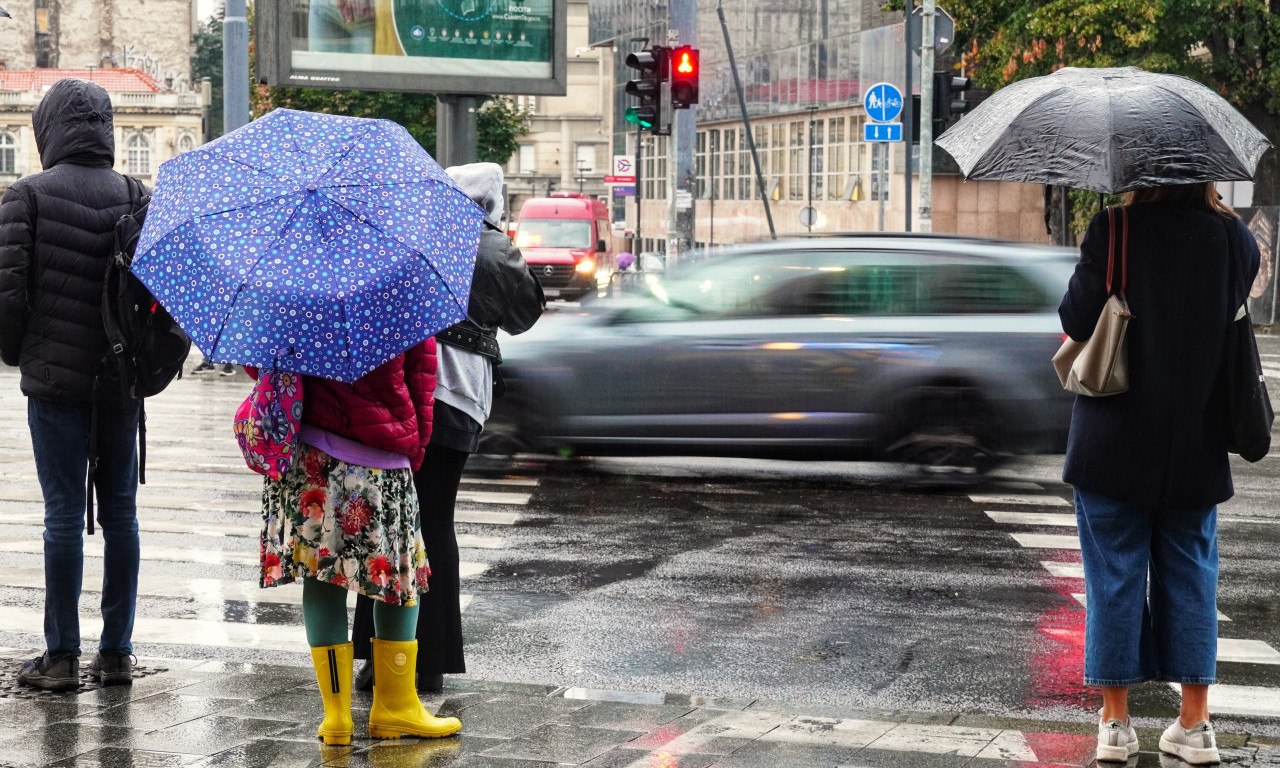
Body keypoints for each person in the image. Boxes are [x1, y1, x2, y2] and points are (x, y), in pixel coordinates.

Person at [1059, 182, 1259, 766]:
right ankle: (1194, 726)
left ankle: (1116, 724)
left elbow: (1075, 317)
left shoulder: (1114, 229)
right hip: (1194, 443)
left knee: (1114, 577)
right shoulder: (1234, 239)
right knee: (1194, 574)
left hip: (1112, 442)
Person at [351, 162, 544, 692]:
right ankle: (429, 661)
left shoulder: (412, 231)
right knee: (435, 522)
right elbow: (526, 313)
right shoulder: (493, 249)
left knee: (389, 520)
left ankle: (374, 657)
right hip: (458, 398)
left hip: (400, 393)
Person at [0, 79, 146, 691]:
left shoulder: (26, 196)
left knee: (62, 514)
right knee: (121, 514)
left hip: (55, 384)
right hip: (119, 384)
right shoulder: (137, 194)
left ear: (48, 129)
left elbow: (8, 294)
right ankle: (116, 654)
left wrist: (19, 353)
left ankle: (60, 656)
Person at [256, 337, 461, 743]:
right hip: (382, 453)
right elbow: (420, 379)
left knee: (321, 576)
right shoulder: (400, 283)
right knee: (398, 577)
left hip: (311, 450)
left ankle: (336, 718)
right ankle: (395, 706)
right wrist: (414, 451)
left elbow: (259, 364)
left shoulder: (297, 282)